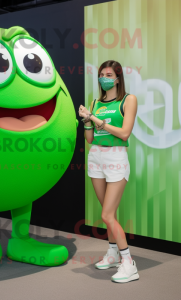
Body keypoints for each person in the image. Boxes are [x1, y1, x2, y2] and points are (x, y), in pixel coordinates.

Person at [78, 60, 138, 283]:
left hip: (116, 157)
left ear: (118, 78)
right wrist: (86, 120)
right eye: (101, 74)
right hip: (96, 157)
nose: (104, 77)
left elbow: (124, 133)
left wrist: (94, 118)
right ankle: (113, 253)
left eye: (109, 74)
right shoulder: (96, 102)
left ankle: (128, 263)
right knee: (107, 212)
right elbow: (90, 138)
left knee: (107, 215)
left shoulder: (128, 100)